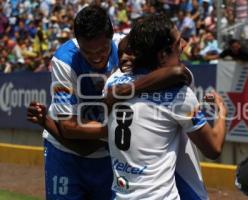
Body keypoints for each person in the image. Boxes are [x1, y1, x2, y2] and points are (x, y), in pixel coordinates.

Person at [27, 5, 193, 200]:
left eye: (103, 49)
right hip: (66, 153)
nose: (96, 56)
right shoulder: (64, 60)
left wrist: (128, 90)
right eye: (87, 52)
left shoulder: (126, 46)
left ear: (112, 37)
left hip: (108, 156)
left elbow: (178, 71)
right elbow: (69, 127)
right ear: (78, 43)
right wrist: (122, 131)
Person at [106, 14, 227, 200]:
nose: (184, 46)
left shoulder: (113, 82)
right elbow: (213, 148)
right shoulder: (179, 93)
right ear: (162, 54)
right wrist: (222, 112)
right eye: (178, 43)